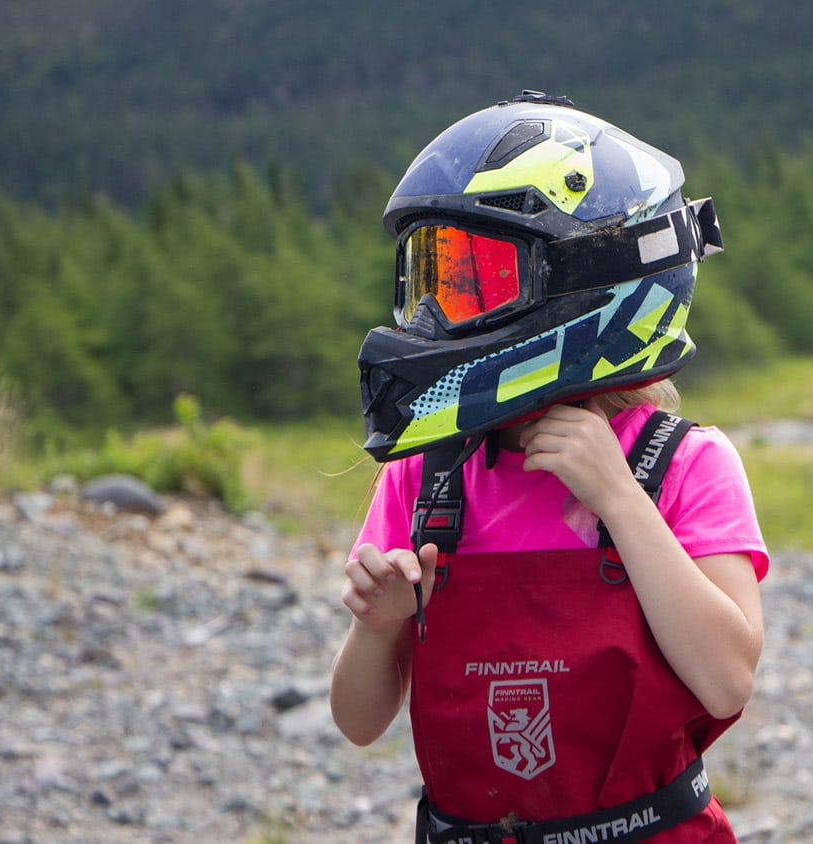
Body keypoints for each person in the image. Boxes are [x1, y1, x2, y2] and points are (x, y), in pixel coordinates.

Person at [330, 91, 769, 843]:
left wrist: (620, 499)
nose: (439, 314)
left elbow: (727, 679)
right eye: (431, 278)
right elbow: (359, 722)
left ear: (586, 282)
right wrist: (377, 629)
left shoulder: (684, 464)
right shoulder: (426, 478)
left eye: (477, 280)